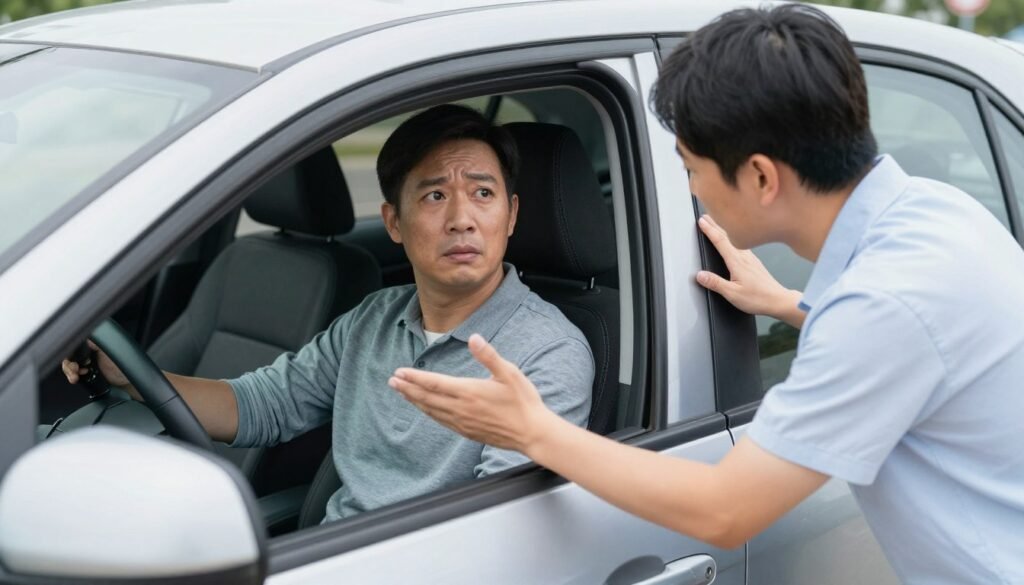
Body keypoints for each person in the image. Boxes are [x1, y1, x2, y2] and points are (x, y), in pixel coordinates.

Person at [389, 5, 1024, 584]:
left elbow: (726, 511)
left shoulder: (883, 305)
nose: (688, 189)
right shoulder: (935, 211)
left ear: (760, 177)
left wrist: (531, 431)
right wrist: (791, 306)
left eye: (690, 170)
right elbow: (920, 342)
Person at [64, 104, 594, 523]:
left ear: (512, 214)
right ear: (393, 221)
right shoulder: (374, 319)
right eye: (435, 195)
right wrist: (131, 379)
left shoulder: (547, 352)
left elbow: (495, 532)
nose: (462, 219)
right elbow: (262, 405)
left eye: (483, 193)